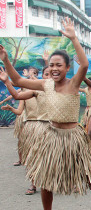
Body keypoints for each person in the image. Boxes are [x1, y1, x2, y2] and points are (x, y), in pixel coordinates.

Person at [0, 17, 91, 210]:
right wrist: (6, 60)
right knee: (45, 179)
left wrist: (74, 38)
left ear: (67, 68)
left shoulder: (74, 83)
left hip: (74, 138)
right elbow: (17, 81)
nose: (54, 68)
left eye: (59, 65)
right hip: (51, 138)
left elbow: (84, 65)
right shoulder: (45, 84)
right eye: (51, 65)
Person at [0, 66, 51, 195]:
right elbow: (17, 96)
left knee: (48, 157)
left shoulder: (53, 91)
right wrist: (6, 81)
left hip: (49, 128)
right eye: (46, 74)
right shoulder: (28, 91)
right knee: (32, 156)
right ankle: (33, 184)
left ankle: (51, 181)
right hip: (31, 128)